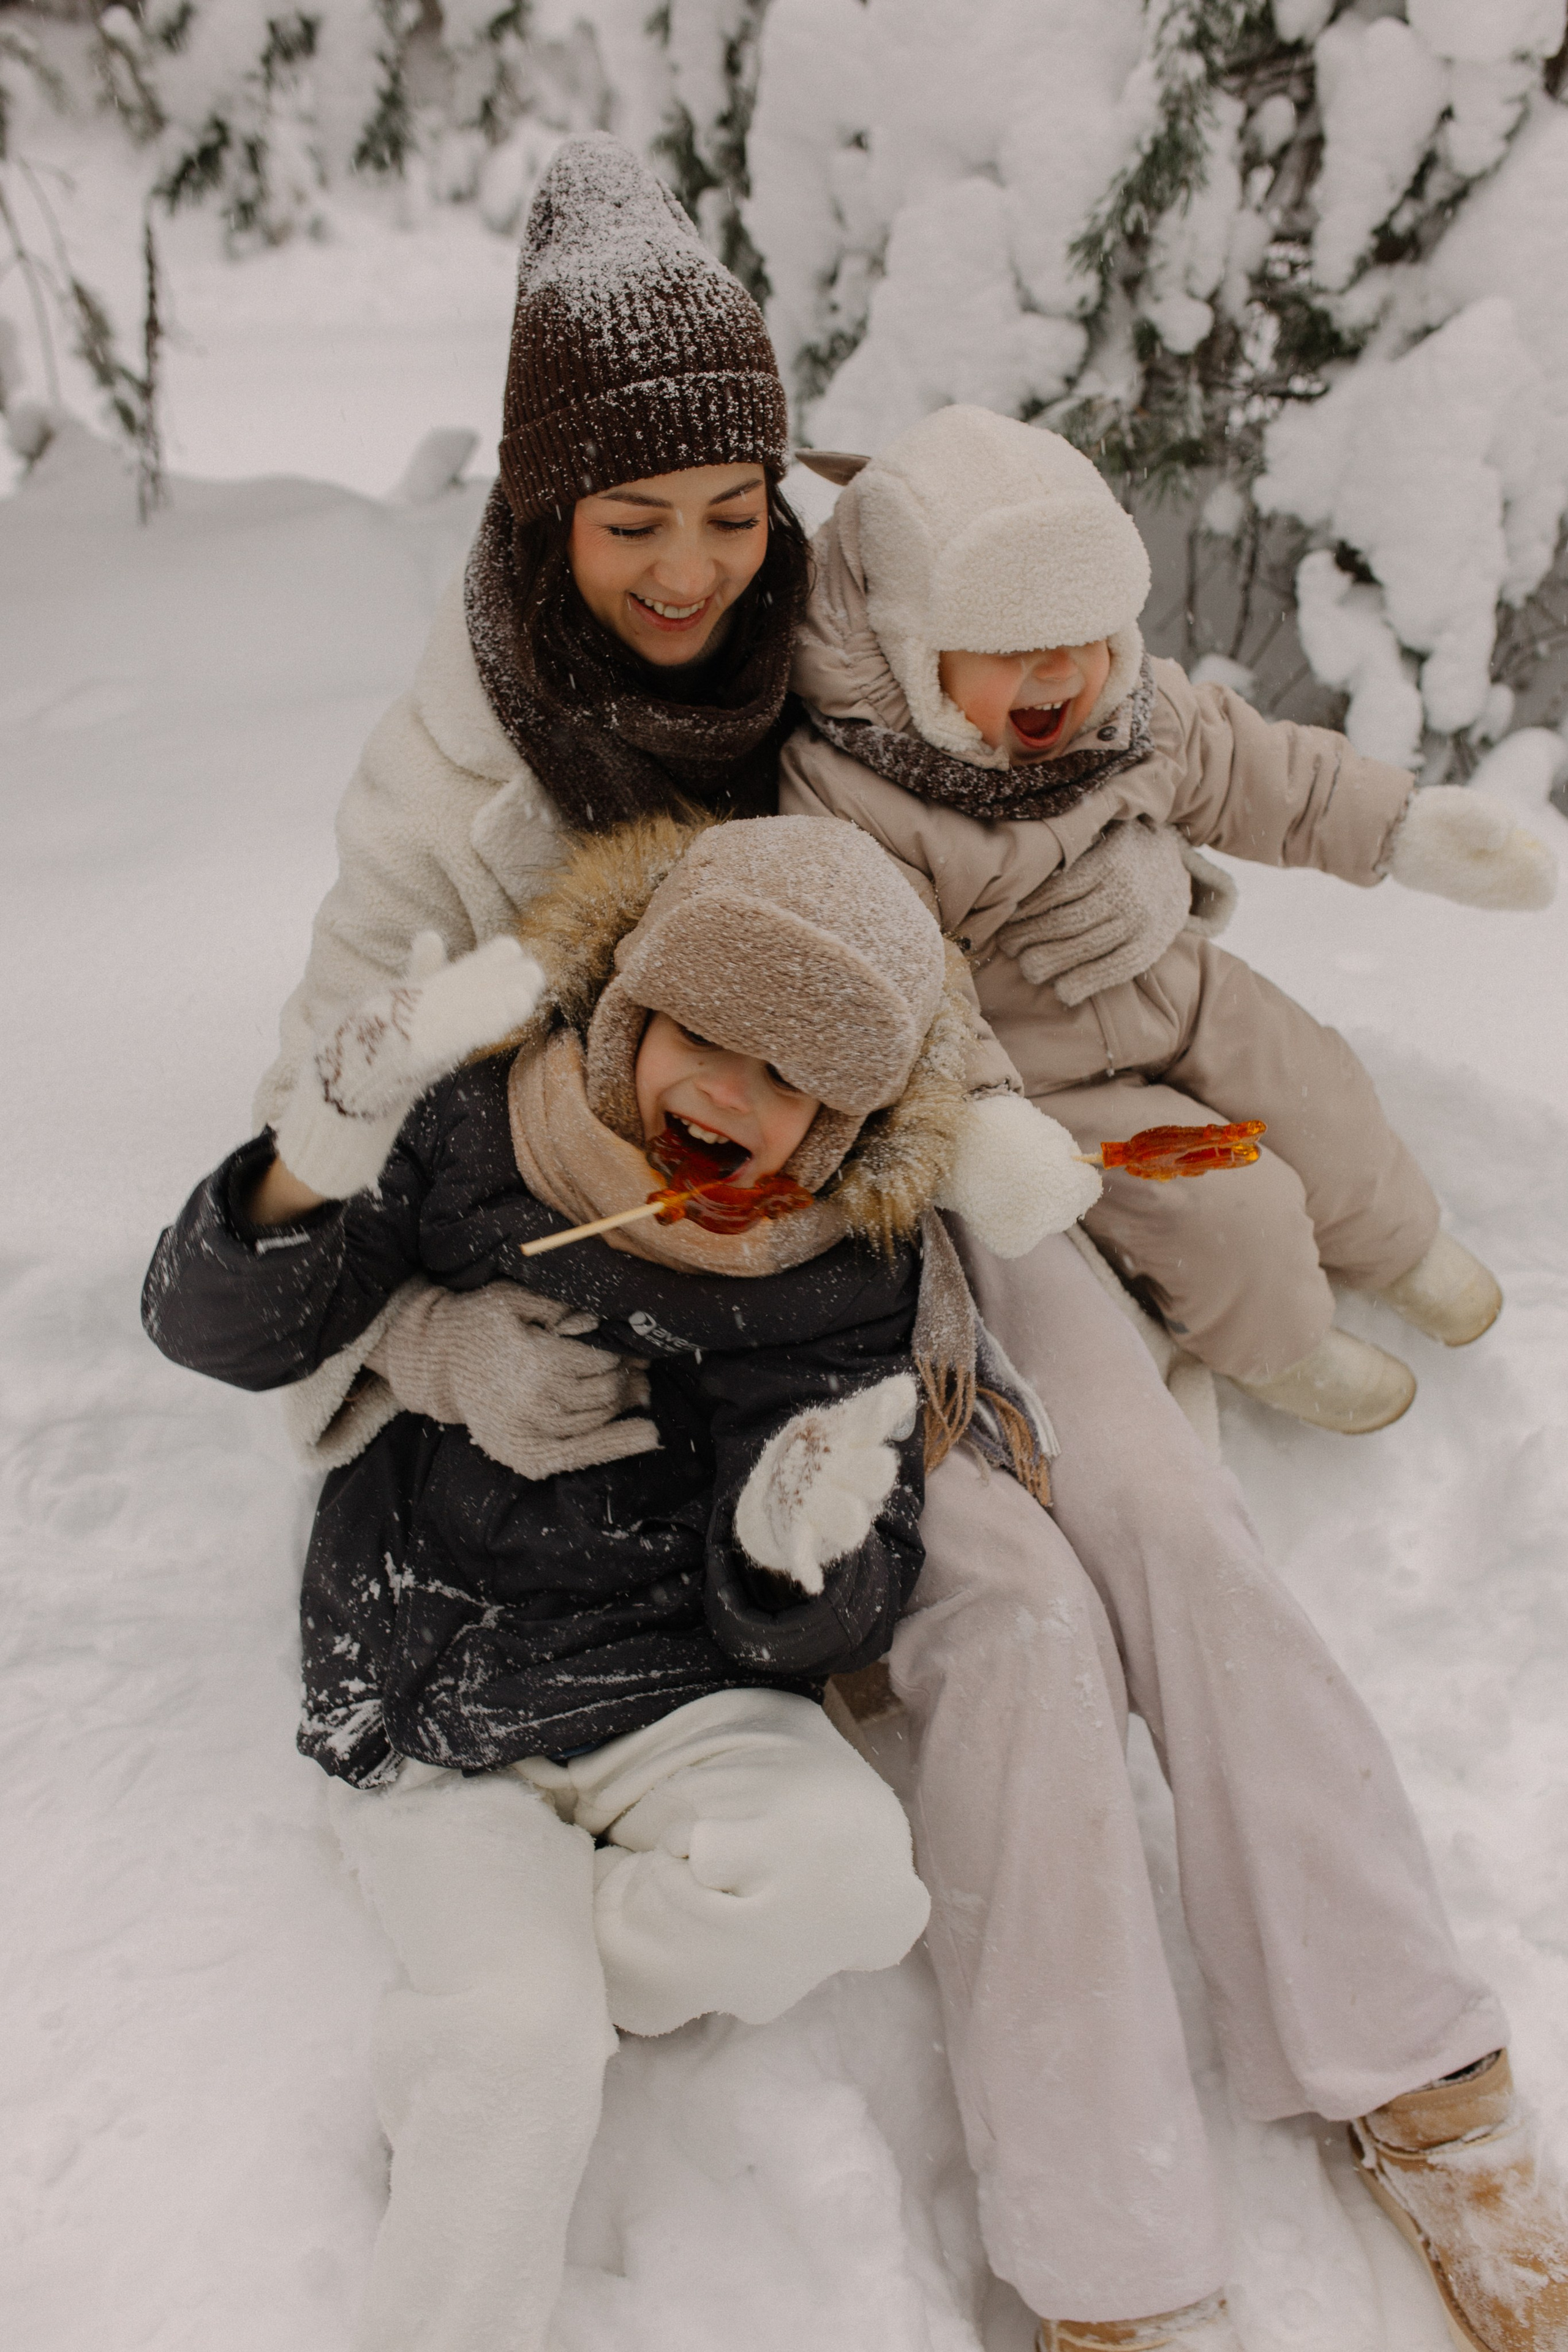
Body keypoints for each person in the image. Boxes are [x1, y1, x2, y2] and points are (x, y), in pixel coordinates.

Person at [231, 133, 1568, 2352]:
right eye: (629, 519)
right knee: (1015, 1626)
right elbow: (330, 1094)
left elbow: (1111, 725)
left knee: (1165, 1515)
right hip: (722, 1270)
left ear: (790, 499)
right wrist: (438, 1336)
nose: (686, 568)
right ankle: (1112, 2255)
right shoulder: (464, 762)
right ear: (535, 508)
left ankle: (1421, 2074)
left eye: (731, 511)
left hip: (974, 1149)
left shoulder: (864, 603)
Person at [143, 813, 1042, 2352]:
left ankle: (544, 1974)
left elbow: (841, 1594)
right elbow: (214, 1331)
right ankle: (502, 2044)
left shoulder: (839, 1265)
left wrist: (791, 1539)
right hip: (444, 1669)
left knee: (850, 1880)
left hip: (669, 1678)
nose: (727, 1096)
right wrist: (318, 1157)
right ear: (632, 1010)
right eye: (702, 1037)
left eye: (789, 1084)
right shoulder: (478, 1127)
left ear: (838, 1127)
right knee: (515, 2044)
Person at [778, 403, 1558, 1434]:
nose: (1063, 673)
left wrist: (1405, 828)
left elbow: (1265, 770)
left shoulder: (1133, 711)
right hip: (1046, 1075)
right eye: (1017, 648)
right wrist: (988, 1122)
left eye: (1088, 638)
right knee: (1221, 1202)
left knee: (1313, 1083)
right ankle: (1281, 1347)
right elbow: (892, 983)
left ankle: (1400, 1246)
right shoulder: (852, 795)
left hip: (1179, 988)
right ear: (915, 651)